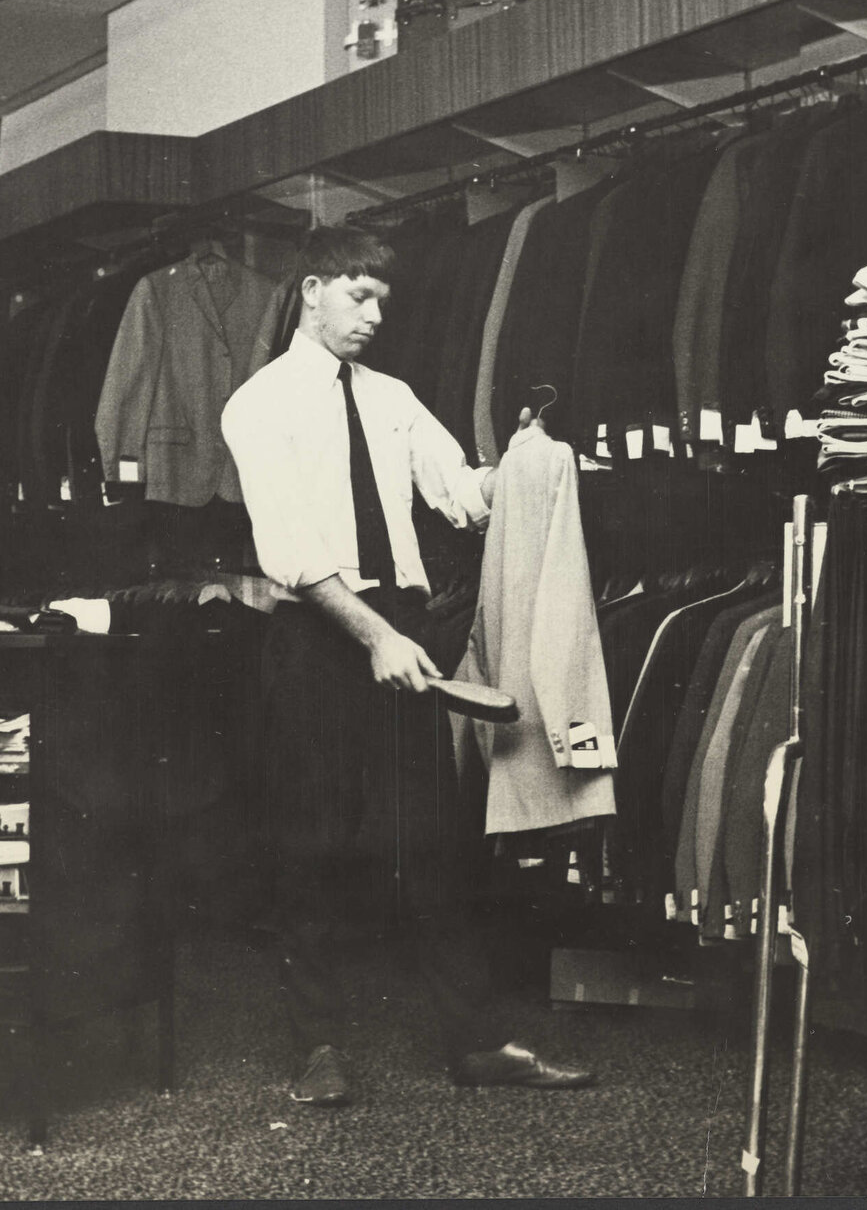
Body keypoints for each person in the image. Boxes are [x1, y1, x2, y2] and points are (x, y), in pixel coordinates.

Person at [221, 226, 594, 1107]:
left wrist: (519, 465)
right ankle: (316, 1045)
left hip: (402, 622)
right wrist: (373, 638)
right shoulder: (258, 404)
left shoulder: (391, 396)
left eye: (384, 299)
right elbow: (292, 550)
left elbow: (460, 495)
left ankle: (475, 1041)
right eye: (359, 294)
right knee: (312, 845)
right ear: (311, 289)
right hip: (318, 632)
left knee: (432, 844)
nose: (375, 314)